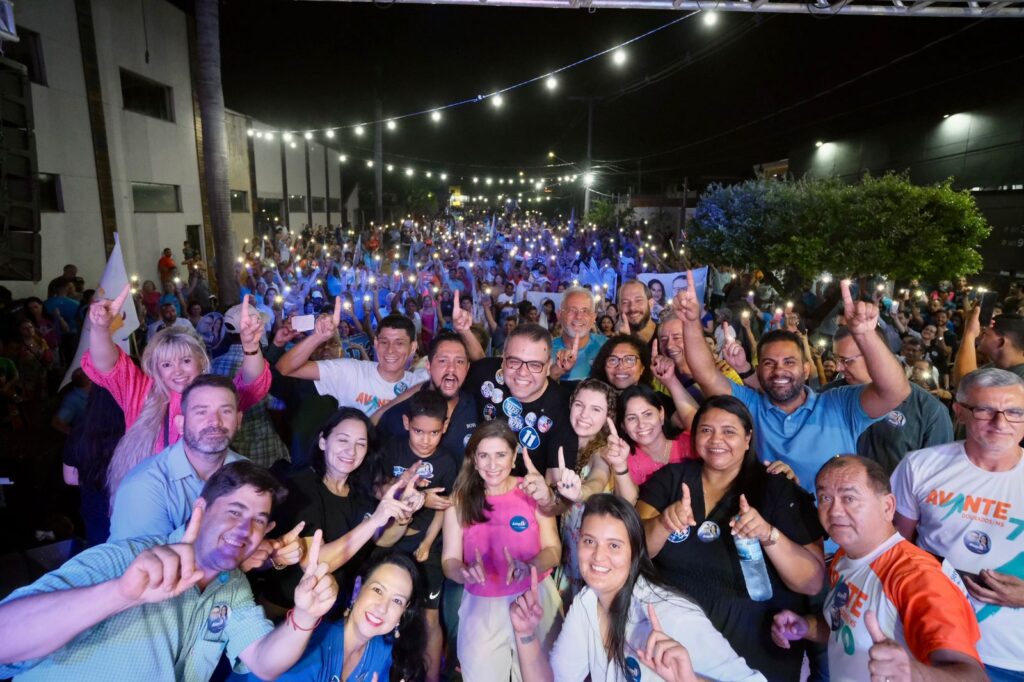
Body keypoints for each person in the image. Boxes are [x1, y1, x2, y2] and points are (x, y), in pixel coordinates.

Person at [0, 462, 338, 681]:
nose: (245, 530)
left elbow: (264, 662)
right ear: (201, 511)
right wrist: (121, 593)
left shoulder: (232, 586)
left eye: (258, 522)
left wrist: (305, 616)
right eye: (234, 512)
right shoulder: (127, 558)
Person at [637, 396, 825, 680]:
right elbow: (633, 551)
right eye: (706, 430)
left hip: (755, 654)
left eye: (729, 431)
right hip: (675, 647)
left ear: (748, 438)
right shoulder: (671, 480)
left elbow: (811, 582)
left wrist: (768, 534)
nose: (716, 439)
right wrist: (663, 523)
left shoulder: (777, 489)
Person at [677, 274, 910, 492]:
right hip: (766, 529)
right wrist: (690, 322)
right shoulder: (749, 406)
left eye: (789, 362)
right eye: (769, 363)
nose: (779, 370)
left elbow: (895, 391)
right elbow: (706, 374)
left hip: (832, 531)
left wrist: (865, 335)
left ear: (806, 368)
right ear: (759, 370)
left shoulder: (839, 404)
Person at [772, 456, 985, 682]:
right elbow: (844, 628)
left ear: (887, 506)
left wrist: (914, 674)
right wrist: (806, 626)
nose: (834, 511)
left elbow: (974, 676)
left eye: (849, 498)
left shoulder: (918, 577)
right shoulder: (844, 558)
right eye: (825, 497)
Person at [511, 494, 765, 682]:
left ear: (634, 552)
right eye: (589, 541)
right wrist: (526, 635)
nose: (598, 557)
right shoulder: (588, 602)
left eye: (614, 546)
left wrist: (692, 681)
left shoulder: (671, 615)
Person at [891, 368, 1024, 680]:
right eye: (985, 410)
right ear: (960, 411)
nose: (1001, 423)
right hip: (934, 643)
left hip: (1012, 655)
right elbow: (893, 550)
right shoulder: (921, 466)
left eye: (1015, 412)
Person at [82, 288, 270, 496]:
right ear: (155, 368)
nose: (178, 371)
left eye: (186, 361)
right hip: (149, 496)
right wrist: (101, 328)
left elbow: (252, 385)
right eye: (166, 364)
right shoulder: (140, 390)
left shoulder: (215, 393)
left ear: (201, 360)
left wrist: (251, 346)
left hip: (205, 496)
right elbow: (107, 365)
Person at [265, 408, 425, 616]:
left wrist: (403, 512)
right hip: (288, 612)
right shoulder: (301, 486)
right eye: (343, 440)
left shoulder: (359, 489)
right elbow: (317, 563)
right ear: (323, 442)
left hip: (334, 614)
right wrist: (375, 520)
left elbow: (381, 539)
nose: (351, 451)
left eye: (361, 444)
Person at [441, 420, 562, 682]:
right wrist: (464, 573)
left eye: (500, 455)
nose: (492, 464)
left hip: (535, 598)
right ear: (473, 459)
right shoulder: (459, 501)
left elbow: (553, 550)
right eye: (484, 455)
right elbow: (449, 560)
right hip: (481, 605)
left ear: (514, 455)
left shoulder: (532, 491)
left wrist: (529, 565)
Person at [374, 390, 458, 682]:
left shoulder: (447, 462)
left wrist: (425, 543)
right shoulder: (392, 450)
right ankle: (380, 672)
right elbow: (377, 489)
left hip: (427, 546)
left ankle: (432, 677)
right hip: (389, 543)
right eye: (419, 431)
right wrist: (414, 491)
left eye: (434, 432)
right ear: (407, 422)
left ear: (444, 427)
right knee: (384, 608)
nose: (425, 440)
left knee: (429, 617)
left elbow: (443, 508)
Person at [247, 551, 428, 682]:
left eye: (397, 601)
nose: (383, 607)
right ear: (358, 588)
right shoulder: (311, 645)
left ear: (404, 612)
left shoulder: (383, 651)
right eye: (377, 590)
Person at [109, 375, 249, 541]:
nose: (215, 422)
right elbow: (139, 560)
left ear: (239, 420)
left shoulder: (247, 472)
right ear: (180, 424)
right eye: (201, 412)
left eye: (225, 411)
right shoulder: (145, 484)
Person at [821, 325, 953, 475]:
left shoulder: (929, 410)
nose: (838, 368)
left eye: (846, 361)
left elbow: (938, 476)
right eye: (837, 359)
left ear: (876, 354)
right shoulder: (828, 396)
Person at [276, 297, 430, 417]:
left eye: (399, 343)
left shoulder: (421, 383)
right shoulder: (351, 370)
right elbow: (285, 368)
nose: (390, 350)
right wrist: (317, 338)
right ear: (376, 343)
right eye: (384, 342)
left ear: (413, 347)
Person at [462, 322, 578, 477]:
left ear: (548, 365)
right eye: (514, 361)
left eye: (535, 364)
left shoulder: (562, 410)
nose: (523, 372)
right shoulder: (484, 373)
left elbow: (557, 481)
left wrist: (547, 495)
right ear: (502, 359)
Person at [375, 330, 478, 456]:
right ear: (428, 366)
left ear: (467, 368)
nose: (451, 368)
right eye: (443, 361)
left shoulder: (478, 408)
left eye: (459, 362)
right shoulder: (398, 417)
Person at [550, 287, 607, 381]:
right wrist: (556, 371)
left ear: (593, 317)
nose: (579, 316)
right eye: (572, 310)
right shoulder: (546, 350)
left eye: (585, 311)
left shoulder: (607, 347)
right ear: (559, 315)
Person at [954, 310, 1024, 383]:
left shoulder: (1020, 378)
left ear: (1000, 342)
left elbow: (965, 384)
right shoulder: (992, 367)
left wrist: (969, 333)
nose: (978, 336)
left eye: (984, 333)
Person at [617, 280, 657, 345]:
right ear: (618, 308)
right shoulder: (614, 346)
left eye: (638, 300)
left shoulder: (668, 337)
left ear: (651, 304)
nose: (632, 308)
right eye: (625, 302)